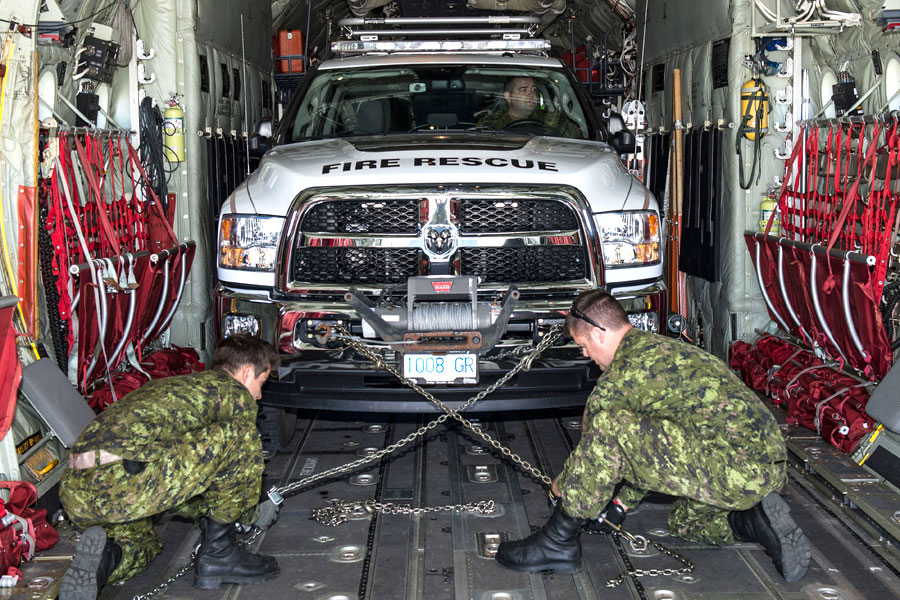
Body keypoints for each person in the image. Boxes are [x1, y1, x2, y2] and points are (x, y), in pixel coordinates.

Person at [495, 289, 810, 582]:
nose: (587, 355)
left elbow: (596, 452)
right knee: (686, 523)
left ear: (597, 333)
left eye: (583, 346)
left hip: (734, 469)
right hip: (767, 466)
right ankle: (754, 520)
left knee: (609, 425)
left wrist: (558, 489)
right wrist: (621, 504)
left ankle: (557, 542)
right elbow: (652, 447)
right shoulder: (666, 349)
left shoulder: (621, 377)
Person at [59, 335, 283, 600]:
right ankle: (219, 555)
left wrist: (205, 511)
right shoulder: (234, 394)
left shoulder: (173, 387)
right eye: (261, 383)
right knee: (241, 435)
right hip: (125, 476)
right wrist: (251, 514)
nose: (259, 395)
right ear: (246, 372)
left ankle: (105, 560)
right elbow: (234, 464)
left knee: (142, 546)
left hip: (77, 490)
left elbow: (184, 480)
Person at [476, 76, 580, 137]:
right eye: (524, 90)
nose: (531, 94)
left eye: (533, 89)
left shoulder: (553, 120)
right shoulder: (490, 123)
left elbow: (576, 146)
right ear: (508, 96)